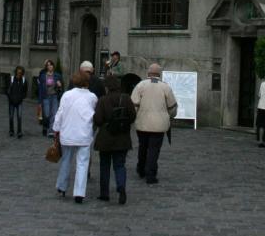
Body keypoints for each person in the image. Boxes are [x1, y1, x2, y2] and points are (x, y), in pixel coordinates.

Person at [53, 72, 98, 203]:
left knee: (66, 160)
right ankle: (79, 193)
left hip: (68, 133)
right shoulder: (92, 97)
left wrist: (56, 128)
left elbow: (60, 113)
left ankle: (62, 186)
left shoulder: (67, 95)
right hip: (84, 134)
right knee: (82, 163)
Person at [131, 63, 177, 185]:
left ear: (148, 73)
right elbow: (172, 106)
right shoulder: (165, 87)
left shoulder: (140, 85)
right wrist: (171, 115)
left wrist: (134, 116)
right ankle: (150, 174)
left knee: (142, 147)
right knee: (154, 150)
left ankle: (141, 169)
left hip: (142, 122)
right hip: (159, 124)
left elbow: (134, 104)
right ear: (159, 74)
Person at [93, 75, 136, 204]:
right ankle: (121, 186)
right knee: (120, 165)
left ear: (107, 87)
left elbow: (98, 120)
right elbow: (133, 116)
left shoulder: (103, 100)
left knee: (104, 165)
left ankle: (104, 193)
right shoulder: (126, 98)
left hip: (105, 137)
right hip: (122, 137)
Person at [38, 60, 63, 137]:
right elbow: (40, 89)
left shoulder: (57, 75)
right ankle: (45, 127)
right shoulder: (43, 76)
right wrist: (40, 101)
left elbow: (61, 87)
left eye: (51, 65)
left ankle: (51, 131)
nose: (50, 66)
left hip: (54, 96)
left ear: (53, 66)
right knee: (47, 114)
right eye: (48, 65)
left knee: (54, 114)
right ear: (46, 67)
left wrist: (60, 85)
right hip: (46, 97)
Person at [7, 66, 28, 138]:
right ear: (16, 72)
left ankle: (19, 131)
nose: (19, 74)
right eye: (18, 72)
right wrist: (10, 98)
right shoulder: (12, 79)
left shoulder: (24, 80)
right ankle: (11, 131)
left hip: (19, 102)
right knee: (11, 117)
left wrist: (21, 98)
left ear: (22, 73)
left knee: (19, 117)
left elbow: (25, 91)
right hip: (11, 101)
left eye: (20, 72)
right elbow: (7, 90)